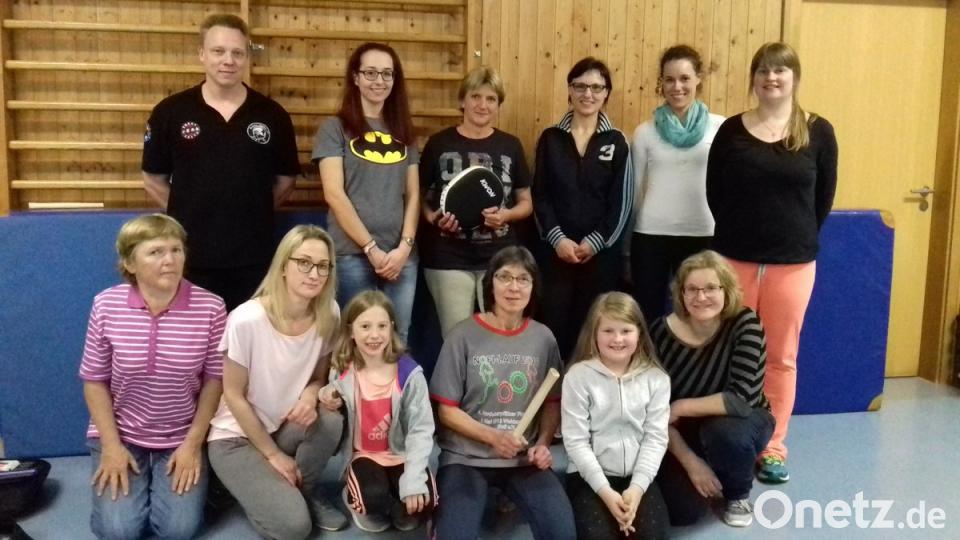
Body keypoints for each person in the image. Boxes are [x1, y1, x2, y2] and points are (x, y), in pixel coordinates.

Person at [706, 42, 838, 484]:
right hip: (734, 260)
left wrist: (790, 238)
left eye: (780, 70)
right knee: (730, 351)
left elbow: (822, 201)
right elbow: (715, 194)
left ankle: (773, 447)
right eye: (763, 70)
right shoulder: (731, 131)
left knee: (780, 357)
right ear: (753, 78)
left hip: (792, 264)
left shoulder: (818, 132)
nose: (771, 77)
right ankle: (728, 441)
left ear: (794, 77)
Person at [79, 214, 226, 539]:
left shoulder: (212, 307)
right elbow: (94, 380)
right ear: (130, 263)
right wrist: (111, 446)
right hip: (121, 434)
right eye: (156, 252)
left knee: (179, 529)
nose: (170, 260)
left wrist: (192, 445)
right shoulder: (105, 305)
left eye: (176, 250)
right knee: (118, 531)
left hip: (181, 437)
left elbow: (214, 382)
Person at [142, 13, 300, 311]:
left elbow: (285, 180)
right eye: (218, 51)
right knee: (196, 337)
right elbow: (152, 178)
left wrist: (248, 213)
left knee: (248, 336)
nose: (228, 60)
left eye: (237, 53)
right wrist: (188, 215)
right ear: (202, 54)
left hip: (254, 257)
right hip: (191, 256)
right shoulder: (170, 112)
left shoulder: (272, 115)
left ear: (247, 57)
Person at [207, 225, 347, 539]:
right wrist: (273, 455)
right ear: (283, 266)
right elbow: (233, 394)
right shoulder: (246, 319)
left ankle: (303, 493)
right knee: (295, 528)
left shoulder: (330, 312)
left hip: (283, 426)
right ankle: (251, 489)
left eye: (323, 266)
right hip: (235, 438)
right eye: (304, 263)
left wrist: (310, 395)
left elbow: (318, 377)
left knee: (330, 420)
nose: (314, 274)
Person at [429, 246, 575, 540]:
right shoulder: (462, 335)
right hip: (466, 459)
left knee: (562, 534)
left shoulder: (543, 338)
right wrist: (494, 437)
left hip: (522, 461)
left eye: (523, 279)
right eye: (504, 277)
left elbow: (551, 402)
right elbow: (446, 412)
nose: (513, 287)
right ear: (490, 284)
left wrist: (542, 444)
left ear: (533, 287)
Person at [649, 250, 774, 527]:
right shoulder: (660, 333)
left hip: (740, 421)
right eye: (692, 289)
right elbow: (654, 412)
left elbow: (740, 400)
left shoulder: (746, 324)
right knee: (683, 513)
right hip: (681, 429)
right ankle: (713, 465)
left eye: (710, 288)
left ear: (725, 290)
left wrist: (680, 406)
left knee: (725, 434)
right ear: (681, 293)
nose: (701, 297)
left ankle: (738, 493)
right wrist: (691, 463)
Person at [314, 42, 420, 342]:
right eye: (370, 73)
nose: (379, 81)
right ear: (356, 77)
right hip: (352, 254)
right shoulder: (334, 128)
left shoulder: (404, 132)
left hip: (401, 257)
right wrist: (370, 248)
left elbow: (413, 194)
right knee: (353, 338)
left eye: (387, 74)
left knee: (397, 338)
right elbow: (334, 194)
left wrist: (405, 247)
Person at [419, 66, 533, 338]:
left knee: (500, 336)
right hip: (447, 257)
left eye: (491, 99)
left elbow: (526, 202)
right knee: (456, 337)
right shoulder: (439, 144)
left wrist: (505, 216)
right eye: (476, 96)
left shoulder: (510, 146)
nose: (483, 105)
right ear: (463, 100)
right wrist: (433, 218)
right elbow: (419, 197)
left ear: (498, 105)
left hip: (500, 257)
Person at [533, 57, 633, 361]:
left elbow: (623, 203)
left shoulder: (617, 141)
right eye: (580, 86)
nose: (588, 94)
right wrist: (558, 240)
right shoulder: (550, 138)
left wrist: (595, 242)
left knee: (593, 329)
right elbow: (540, 196)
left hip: (600, 257)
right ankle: (552, 389)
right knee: (553, 328)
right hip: (556, 254)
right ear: (570, 89)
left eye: (596, 87)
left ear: (606, 93)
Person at [319, 290, 436, 533]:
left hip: (400, 453)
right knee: (371, 497)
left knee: (426, 500)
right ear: (351, 331)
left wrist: (414, 480)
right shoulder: (343, 370)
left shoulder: (409, 374)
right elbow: (331, 393)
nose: (374, 335)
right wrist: (325, 395)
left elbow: (421, 429)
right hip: (364, 456)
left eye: (382, 326)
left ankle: (396, 501)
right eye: (365, 326)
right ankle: (362, 496)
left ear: (391, 328)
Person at [562, 292, 671, 539]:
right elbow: (576, 441)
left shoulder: (657, 379)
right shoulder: (577, 377)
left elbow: (656, 438)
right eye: (608, 331)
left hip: (638, 476)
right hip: (589, 477)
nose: (618, 339)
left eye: (626, 331)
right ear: (594, 334)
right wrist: (606, 492)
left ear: (639, 333)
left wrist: (637, 488)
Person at [631, 45, 725, 321]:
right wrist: (626, 246)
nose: (677, 87)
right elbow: (634, 191)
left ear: (698, 79)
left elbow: (730, 188)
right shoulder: (644, 132)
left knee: (699, 316)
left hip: (703, 233)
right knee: (648, 316)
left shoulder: (720, 128)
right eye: (669, 79)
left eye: (685, 78)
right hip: (650, 235)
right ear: (661, 83)